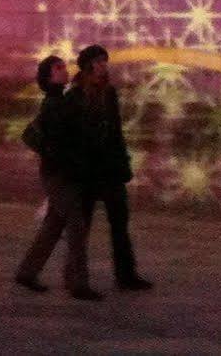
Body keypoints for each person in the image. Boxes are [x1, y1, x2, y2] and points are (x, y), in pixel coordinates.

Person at [56, 45, 152, 299]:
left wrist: (123, 163)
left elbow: (116, 132)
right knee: (81, 227)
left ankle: (126, 274)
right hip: (86, 172)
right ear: (87, 65)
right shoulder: (74, 96)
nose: (103, 66)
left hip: (109, 169)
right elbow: (68, 136)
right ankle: (75, 279)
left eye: (104, 61)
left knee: (120, 224)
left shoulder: (109, 93)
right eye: (98, 62)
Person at [12, 54, 79, 293]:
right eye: (58, 68)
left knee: (54, 225)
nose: (64, 70)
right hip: (57, 174)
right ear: (49, 77)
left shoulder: (59, 100)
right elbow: (30, 135)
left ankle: (27, 273)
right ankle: (75, 281)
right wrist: (53, 153)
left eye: (63, 67)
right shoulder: (53, 103)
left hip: (58, 171)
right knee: (76, 222)